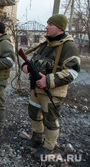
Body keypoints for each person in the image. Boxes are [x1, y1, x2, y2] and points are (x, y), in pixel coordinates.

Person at [21, 14, 80, 158]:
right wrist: (26, 65)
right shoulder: (46, 44)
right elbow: (35, 60)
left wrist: (48, 80)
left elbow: (73, 72)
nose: (46, 27)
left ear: (59, 28)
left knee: (50, 120)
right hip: (36, 90)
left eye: (50, 24)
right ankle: (36, 139)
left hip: (52, 92)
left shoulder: (68, 46)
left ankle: (48, 147)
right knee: (34, 114)